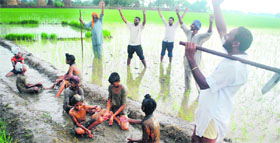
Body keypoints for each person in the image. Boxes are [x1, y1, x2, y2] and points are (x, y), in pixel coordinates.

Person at [184, 0, 253, 142]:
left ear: (235, 43)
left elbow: (204, 84)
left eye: (229, 36)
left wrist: (191, 58)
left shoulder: (234, 67)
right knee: (195, 138)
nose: (225, 36)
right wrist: (216, 6)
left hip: (213, 114)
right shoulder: (233, 51)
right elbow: (222, 29)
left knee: (202, 140)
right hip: (207, 107)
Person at [176, 9, 213, 93]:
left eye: (192, 24)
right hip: (186, 60)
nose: (191, 25)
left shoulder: (200, 37)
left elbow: (209, 33)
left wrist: (211, 22)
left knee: (197, 80)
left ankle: (201, 94)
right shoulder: (189, 33)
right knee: (187, 79)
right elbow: (182, 25)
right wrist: (178, 14)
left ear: (196, 27)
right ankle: (186, 92)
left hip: (195, 62)